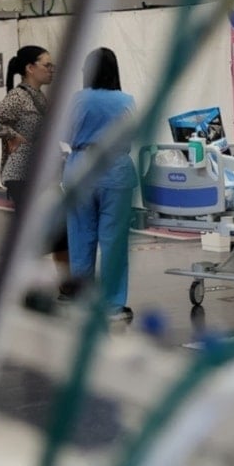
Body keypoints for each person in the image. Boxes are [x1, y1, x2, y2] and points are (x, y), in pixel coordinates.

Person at [0, 45, 71, 285]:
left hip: (44, 176)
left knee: (61, 231)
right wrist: (11, 135)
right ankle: (25, 287)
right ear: (30, 68)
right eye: (46, 65)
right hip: (22, 176)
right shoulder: (18, 98)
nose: (51, 70)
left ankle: (67, 285)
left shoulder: (40, 97)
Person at [63, 47, 137, 323]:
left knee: (80, 238)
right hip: (115, 170)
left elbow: (64, 133)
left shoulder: (77, 100)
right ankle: (113, 306)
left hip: (80, 167)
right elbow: (131, 135)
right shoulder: (125, 100)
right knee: (114, 241)